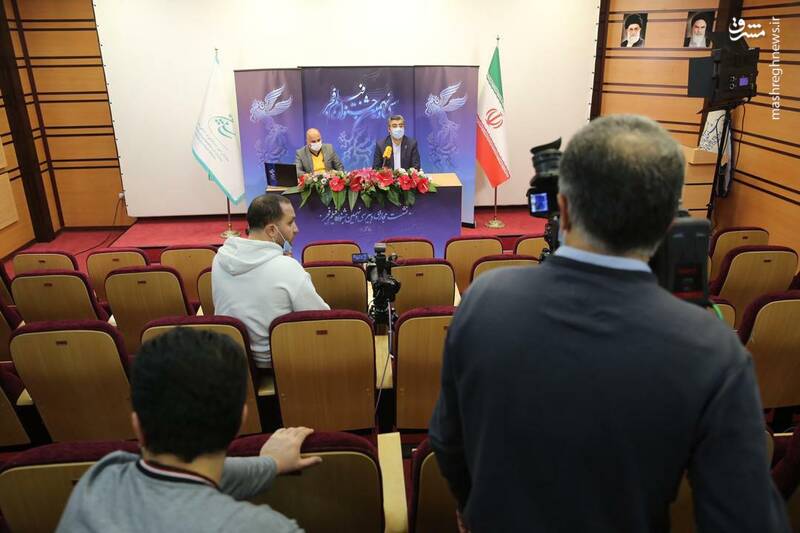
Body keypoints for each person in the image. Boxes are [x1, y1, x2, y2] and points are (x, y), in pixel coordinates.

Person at [429, 115, 789, 532]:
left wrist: (470, 504)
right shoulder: (715, 350)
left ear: (563, 209)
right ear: (669, 224)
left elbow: (447, 439)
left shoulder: (482, 300)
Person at [57, 327, 321, 532]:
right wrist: (270, 463)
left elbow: (177, 481)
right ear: (241, 420)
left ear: (137, 425)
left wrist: (271, 464)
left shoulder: (99, 479)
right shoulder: (267, 529)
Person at [212, 193, 329, 368]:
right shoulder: (288, 268)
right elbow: (322, 319)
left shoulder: (219, 259)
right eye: (290, 223)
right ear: (272, 230)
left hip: (230, 361)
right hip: (276, 363)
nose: (296, 229)